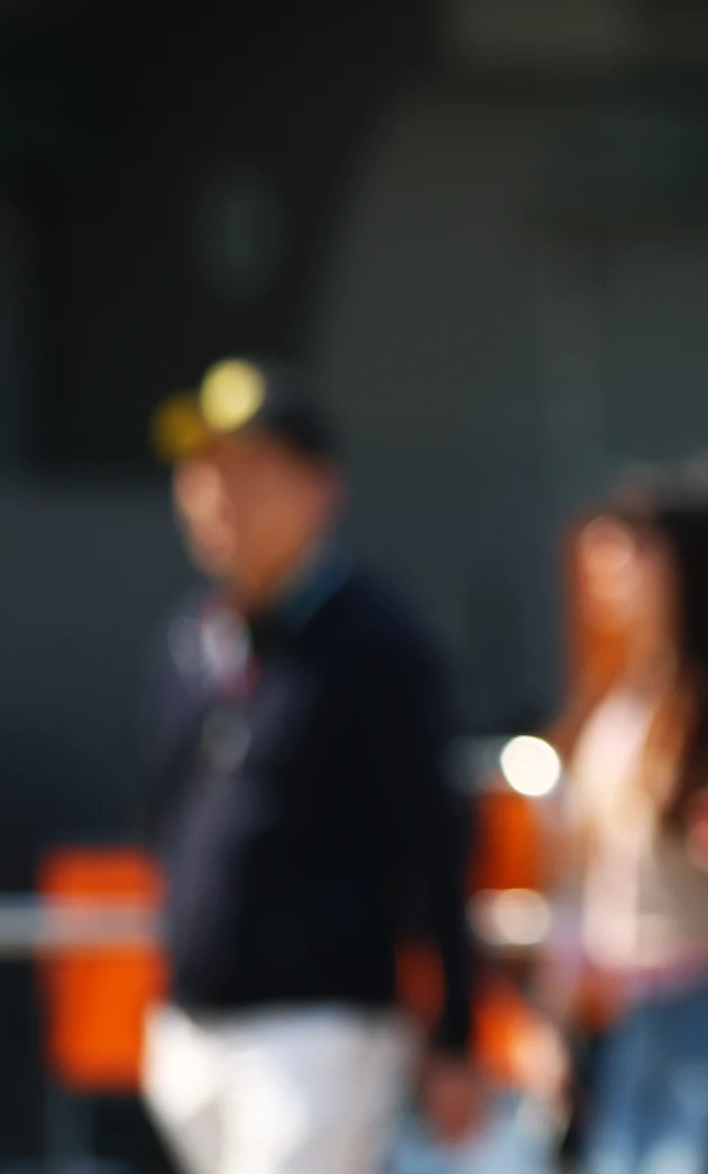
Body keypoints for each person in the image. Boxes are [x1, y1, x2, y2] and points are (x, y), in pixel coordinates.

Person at [141, 356, 484, 1174]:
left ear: (319, 487)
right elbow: (160, 817)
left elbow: (435, 844)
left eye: (251, 469)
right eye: (202, 470)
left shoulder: (375, 641)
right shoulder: (192, 639)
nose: (218, 493)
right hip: (192, 1027)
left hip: (321, 1030)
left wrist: (455, 1033)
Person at [551, 459, 708, 1174]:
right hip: (624, 1010)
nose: (610, 565)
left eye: (640, 547)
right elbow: (585, 870)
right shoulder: (623, 693)